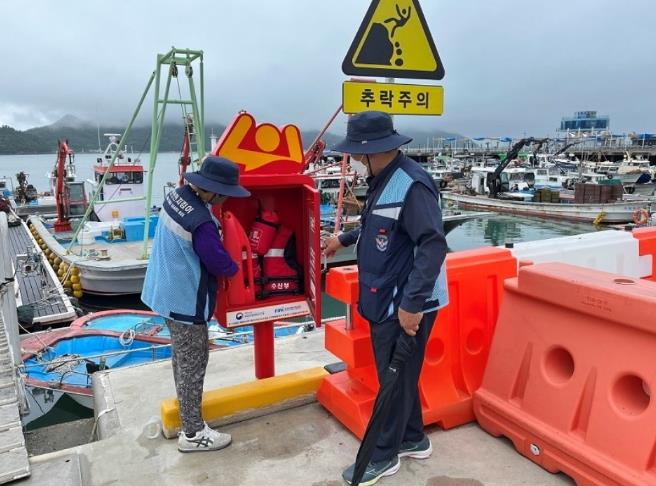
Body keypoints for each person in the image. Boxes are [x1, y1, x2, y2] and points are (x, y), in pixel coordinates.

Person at [324, 111, 448, 485]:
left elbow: (432, 245)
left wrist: (411, 305)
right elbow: (375, 225)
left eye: (358, 155)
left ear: (374, 150)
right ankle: (413, 439)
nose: (355, 161)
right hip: (388, 296)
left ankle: (382, 455)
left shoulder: (412, 185)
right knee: (401, 376)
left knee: (392, 380)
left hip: (405, 301)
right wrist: (343, 239)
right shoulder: (383, 180)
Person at [141, 156, 250, 453]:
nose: (227, 198)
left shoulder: (177, 196)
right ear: (211, 190)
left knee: (181, 359)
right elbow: (218, 262)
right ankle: (193, 434)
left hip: (163, 292)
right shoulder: (201, 222)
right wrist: (240, 269)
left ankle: (188, 416)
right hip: (185, 302)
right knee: (193, 365)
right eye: (225, 193)